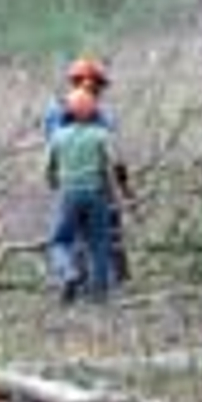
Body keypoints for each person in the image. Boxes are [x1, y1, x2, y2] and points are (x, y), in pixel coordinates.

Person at [47, 87, 123, 303]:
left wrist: (54, 183)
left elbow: (49, 169)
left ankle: (69, 273)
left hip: (69, 194)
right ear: (93, 112)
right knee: (99, 242)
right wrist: (123, 189)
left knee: (59, 241)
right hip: (96, 194)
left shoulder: (58, 136)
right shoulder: (101, 134)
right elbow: (116, 164)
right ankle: (100, 293)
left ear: (67, 112)